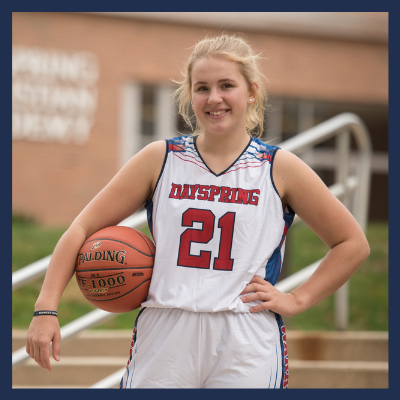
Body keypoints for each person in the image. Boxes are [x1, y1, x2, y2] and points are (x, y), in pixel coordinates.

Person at [26, 34, 370, 389]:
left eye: (226, 85)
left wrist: (298, 298)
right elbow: (81, 228)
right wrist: (45, 308)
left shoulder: (278, 167)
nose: (214, 98)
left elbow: (351, 243)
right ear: (190, 94)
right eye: (202, 87)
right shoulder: (160, 159)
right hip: (166, 331)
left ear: (251, 92)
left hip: (245, 336)